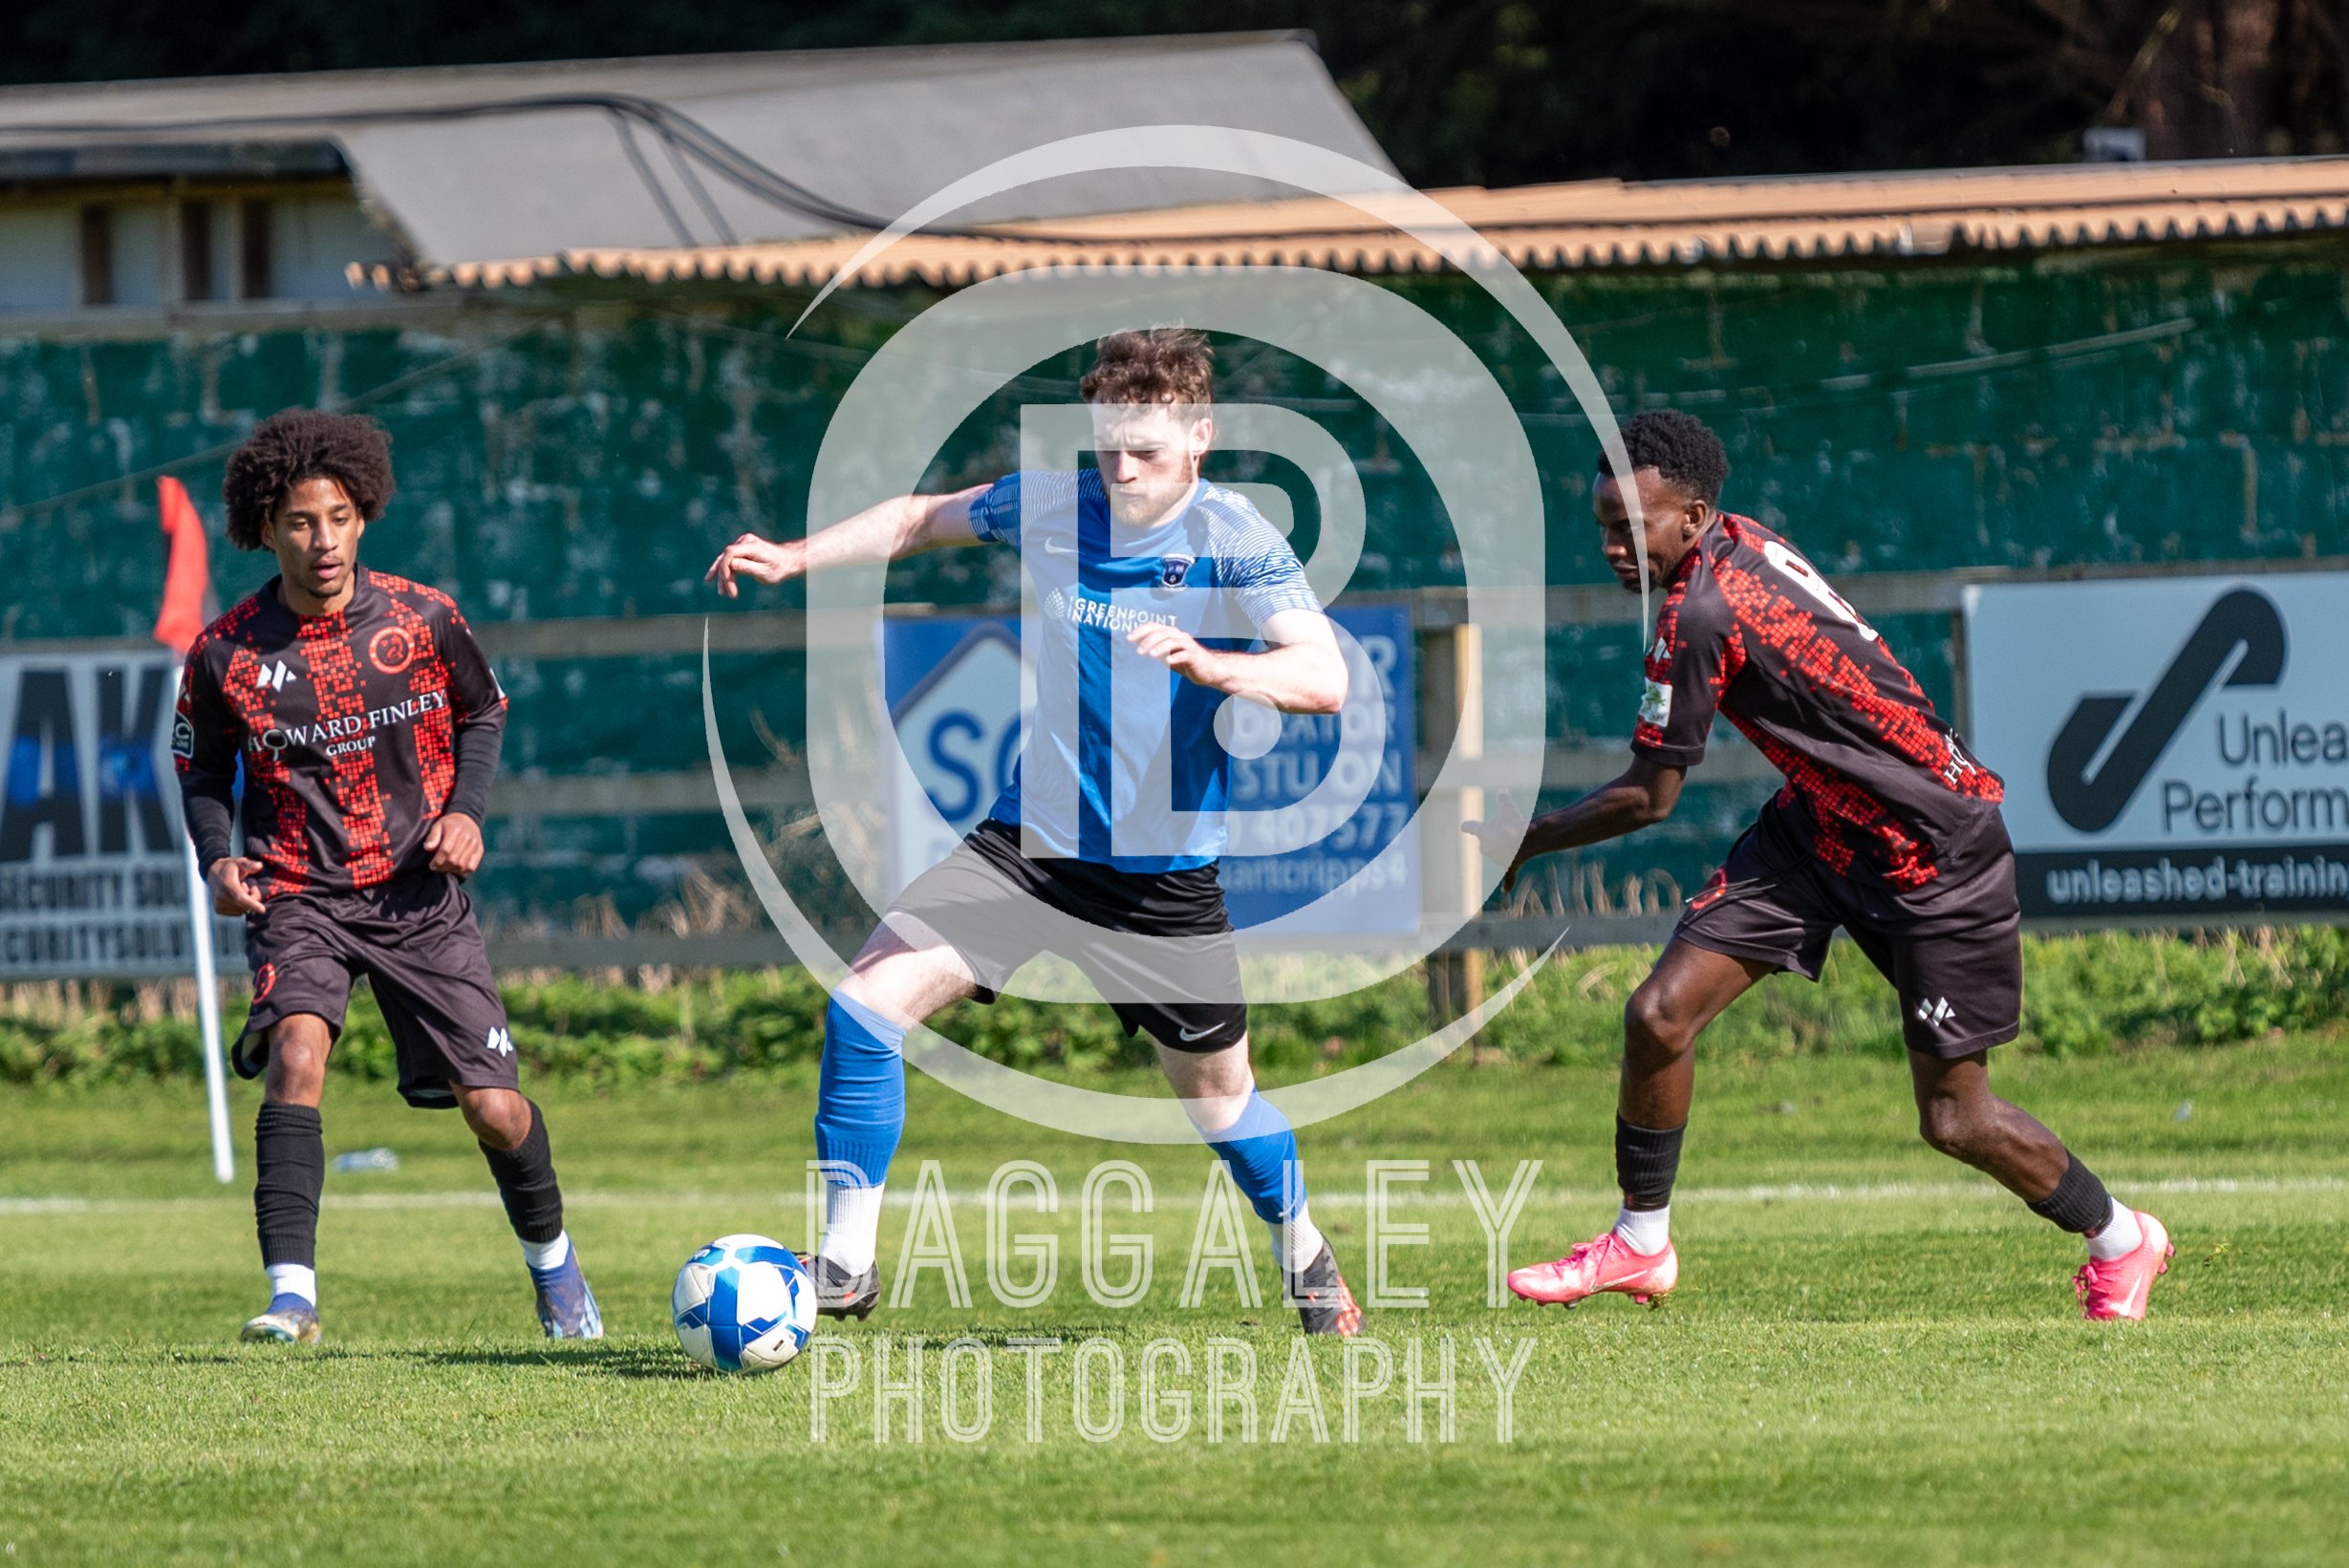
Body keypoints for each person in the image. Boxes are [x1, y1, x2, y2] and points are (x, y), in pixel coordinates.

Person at [706, 328, 1363, 1334]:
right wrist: (797, 557)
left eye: (1145, 449)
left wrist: (1220, 667)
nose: (1122, 470)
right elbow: (920, 519)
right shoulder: (1054, 504)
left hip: (1159, 881)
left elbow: (1324, 676)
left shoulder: (1234, 536)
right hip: (1028, 849)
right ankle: (843, 1264)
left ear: (1201, 436)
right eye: (1107, 446)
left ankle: (1305, 1251)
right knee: (862, 1010)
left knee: (1224, 1107)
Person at [1467, 409, 2172, 1321]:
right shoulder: (1737, 542)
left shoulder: (1696, 613)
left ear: (1692, 517)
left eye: (1629, 528)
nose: (1611, 547)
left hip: (1932, 850)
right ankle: (1640, 1243)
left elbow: (1650, 797)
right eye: (1603, 525)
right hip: (1819, 831)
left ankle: (2122, 1236)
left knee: (1956, 1119)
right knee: (1658, 1014)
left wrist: (1531, 835)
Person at [173, 409, 600, 1344]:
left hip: (418, 896)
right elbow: (200, 766)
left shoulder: (423, 617)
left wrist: (466, 814)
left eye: (338, 517)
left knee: (495, 1109)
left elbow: (483, 711)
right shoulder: (226, 652)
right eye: (299, 521)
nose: (322, 540)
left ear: (364, 514)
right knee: (296, 1058)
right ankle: (292, 1297)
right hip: (299, 893)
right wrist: (216, 858)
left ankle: (556, 1268)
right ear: (266, 527)